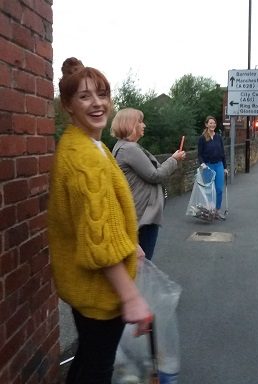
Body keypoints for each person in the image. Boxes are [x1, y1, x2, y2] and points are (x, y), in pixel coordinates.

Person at [48, 57, 151, 383]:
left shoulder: (91, 146)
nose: (97, 103)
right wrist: (131, 297)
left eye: (102, 94)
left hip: (86, 289)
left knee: (88, 360)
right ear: (68, 106)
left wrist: (131, 244)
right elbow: (100, 242)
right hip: (100, 292)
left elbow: (106, 214)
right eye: (85, 96)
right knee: (97, 369)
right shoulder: (83, 159)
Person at [111, 108, 186, 260]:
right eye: (140, 122)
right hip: (144, 215)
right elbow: (155, 175)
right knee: (142, 264)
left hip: (138, 212)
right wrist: (174, 160)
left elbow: (153, 169)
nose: (144, 125)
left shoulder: (123, 146)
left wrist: (171, 159)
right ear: (130, 124)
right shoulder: (129, 148)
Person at [197, 115, 228, 219]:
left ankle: (217, 210)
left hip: (219, 165)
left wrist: (225, 167)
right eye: (210, 123)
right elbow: (199, 154)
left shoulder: (218, 137)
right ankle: (209, 211)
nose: (212, 125)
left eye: (214, 123)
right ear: (206, 124)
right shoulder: (202, 138)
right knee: (209, 190)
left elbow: (222, 153)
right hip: (208, 166)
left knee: (219, 189)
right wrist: (202, 164)